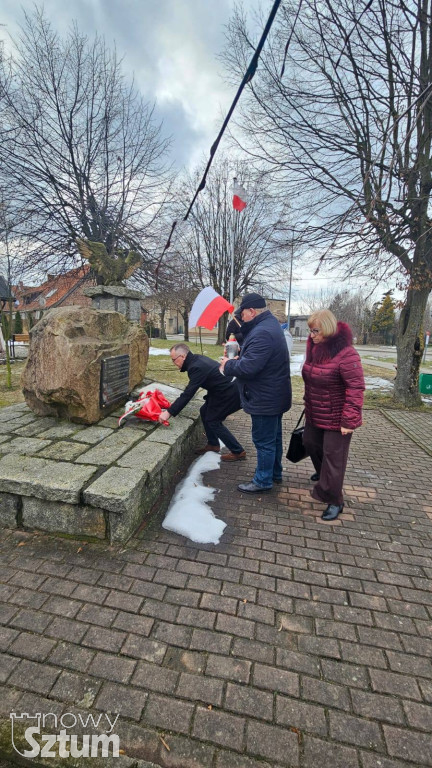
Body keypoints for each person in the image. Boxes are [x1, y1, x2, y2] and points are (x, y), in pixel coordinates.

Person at [219, 292, 291, 493]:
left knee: (264, 441)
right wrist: (240, 353)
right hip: (273, 395)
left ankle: (263, 480)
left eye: (242, 313)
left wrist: (228, 364)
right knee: (273, 439)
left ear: (252, 311)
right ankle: (274, 473)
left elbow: (249, 368)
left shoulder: (262, 332)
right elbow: (258, 358)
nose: (241, 318)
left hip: (265, 398)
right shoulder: (269, 325)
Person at [302, 309, 365, 521]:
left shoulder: (347, 354)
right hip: (316, 411)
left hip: (338, 416)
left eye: (316, 331)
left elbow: (356, 388)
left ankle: (335, 499)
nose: (311, 335)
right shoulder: (314, 347)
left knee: (334, 457)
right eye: (311, 331)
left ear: (328, 329)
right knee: (309, 443)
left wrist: (349, 420)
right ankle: (325, 476)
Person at [158, 343, 246, 462]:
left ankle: (238, 451)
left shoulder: (196, 367)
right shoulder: (196, 360)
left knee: (213, 420)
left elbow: (188, 393)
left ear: (183, 356)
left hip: (231, 393)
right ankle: (213, 444)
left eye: (174, 360)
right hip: (222, 391)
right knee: (204, 411)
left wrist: (168, 412)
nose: (173, 363)